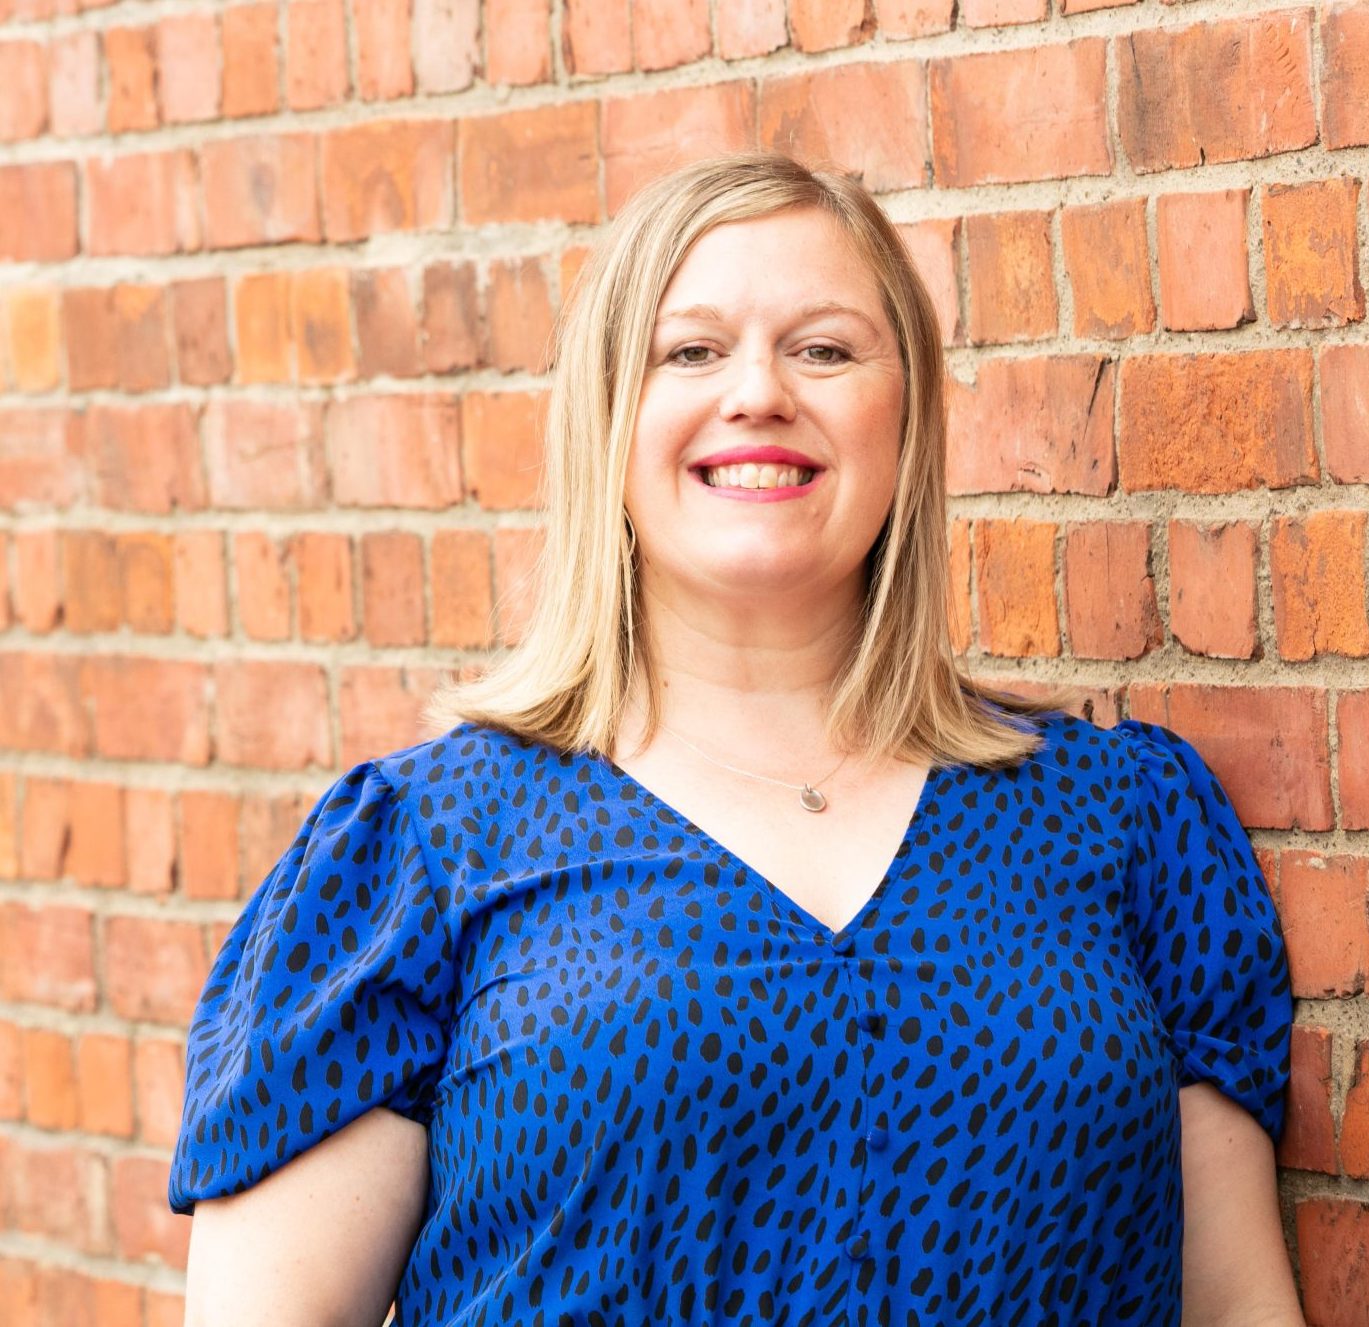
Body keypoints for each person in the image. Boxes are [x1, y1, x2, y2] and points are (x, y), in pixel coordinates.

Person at [170, 151, 1302, 1327]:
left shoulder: (1124, 817)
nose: (758, 392)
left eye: (822, 348)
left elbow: (1232, 1307)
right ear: (608, 419)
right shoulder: (418, 850)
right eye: (691, 351)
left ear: (906, 417)